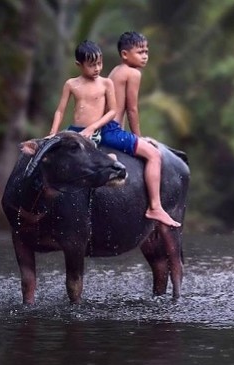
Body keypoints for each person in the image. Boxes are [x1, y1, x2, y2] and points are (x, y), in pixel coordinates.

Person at [49, 39, 180, 227]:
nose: (145, 56)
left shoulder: (111, 77)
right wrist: (53, 133)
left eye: (99, 64)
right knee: (154, 155)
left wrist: (95, 128)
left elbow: (114, 111)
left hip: (99, 128)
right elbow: (131, 109)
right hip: (93, 129)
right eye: (140, 51)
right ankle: (155, 206)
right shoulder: (75, 83)